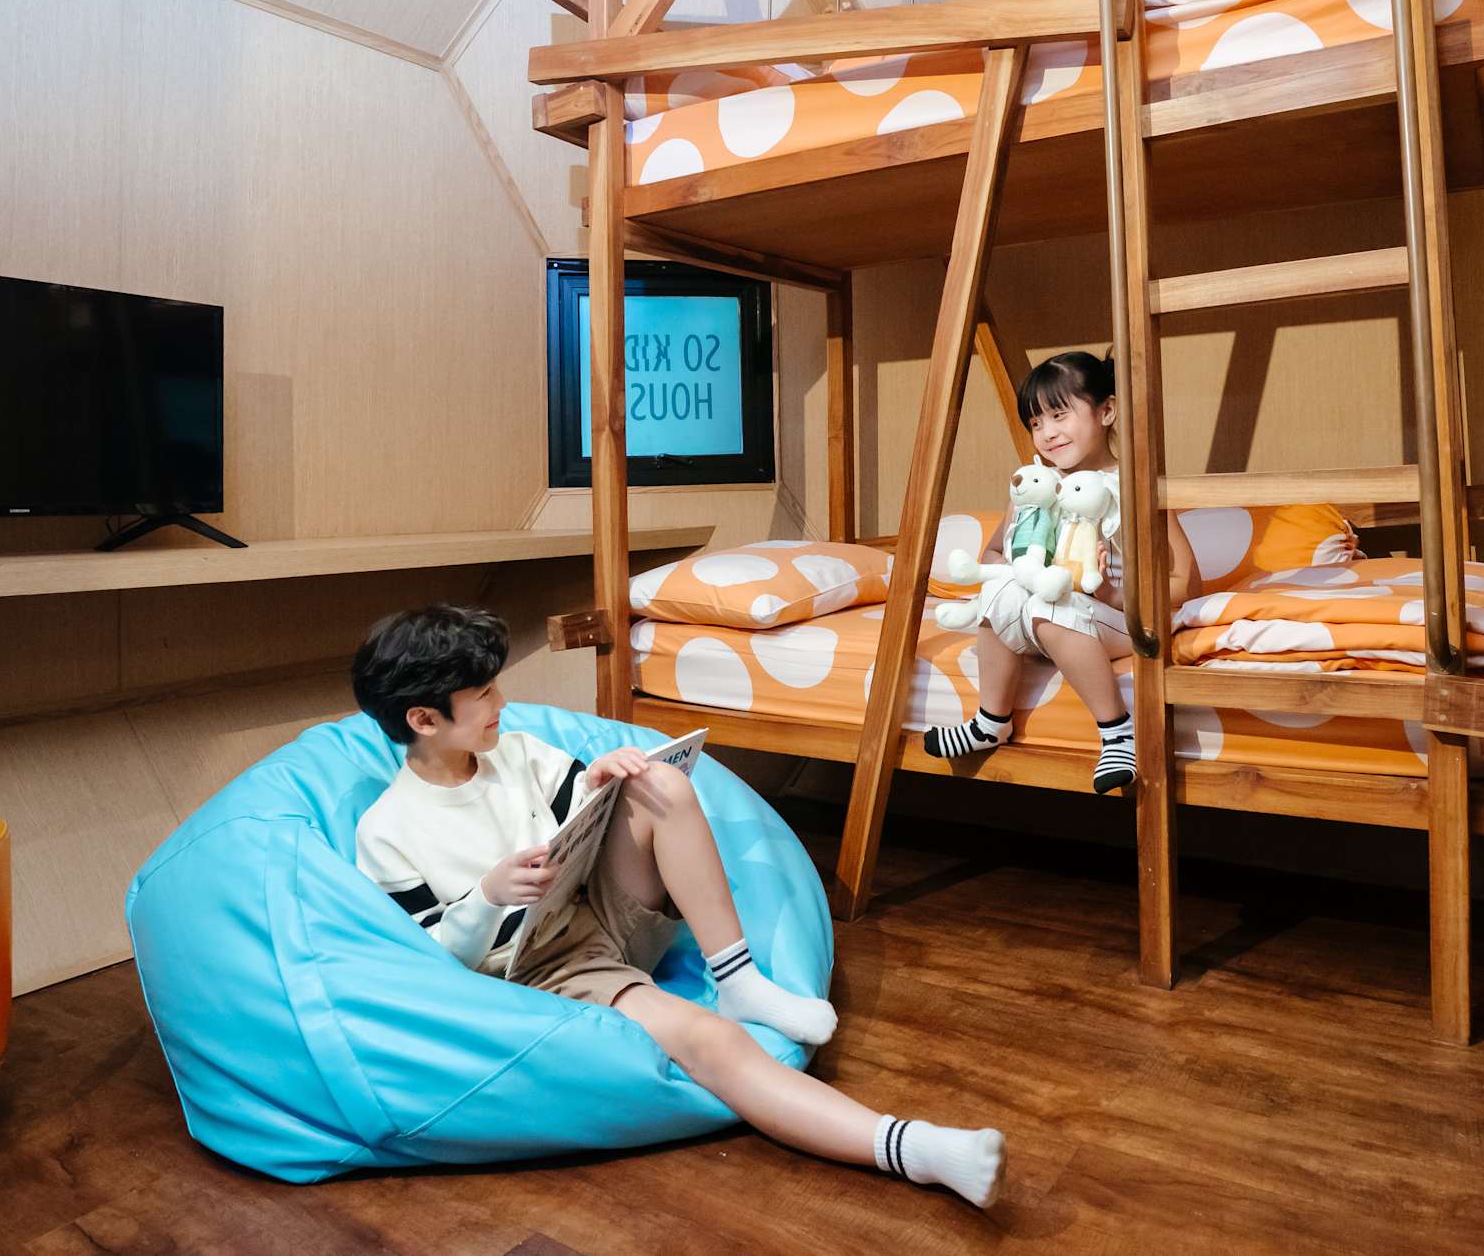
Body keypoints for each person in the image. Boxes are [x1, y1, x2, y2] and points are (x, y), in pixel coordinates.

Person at [350, 604, 1005, 1207]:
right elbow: (431, 962)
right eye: (484, 694)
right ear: (424, 720)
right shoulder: (388, 830)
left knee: (658, 781)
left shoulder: (515, 753)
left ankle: (737, 979)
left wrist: (599, 782)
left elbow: (576, 820)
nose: (503, 702)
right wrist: (488, 896)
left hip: (593, 912)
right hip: (547, 970)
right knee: (711, 1039)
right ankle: (911, 1149)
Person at [921, 350, 1195, 792]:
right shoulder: (1036, 487)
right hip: (1043, 619)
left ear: (1106, 411)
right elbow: (994, 552)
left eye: (1059, 415)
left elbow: (1186, 584)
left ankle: (1117, 731)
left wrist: (1110, 593)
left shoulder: (1135, 487)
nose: (1047, 433)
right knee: (1001, 595)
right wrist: (1015, 570)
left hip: (1119, 620)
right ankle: (991, 720)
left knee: (1052, 608)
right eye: (1036, 422)